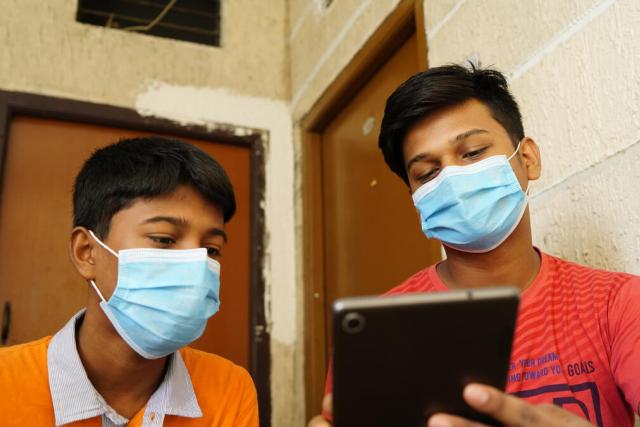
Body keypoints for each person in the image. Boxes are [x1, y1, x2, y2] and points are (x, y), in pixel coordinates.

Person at [309, 65, 640, 427]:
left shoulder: (616, 304)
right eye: (427, 173)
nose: (452, 177)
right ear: (416, 199)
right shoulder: (379, 333)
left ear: (527, 159)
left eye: (472, 152)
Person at [0, 137, 258, 426]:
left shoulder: (229, 388)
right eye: (164, 239)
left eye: (211, 250)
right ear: (86, 253)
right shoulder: (6, 383)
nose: (196, 266)